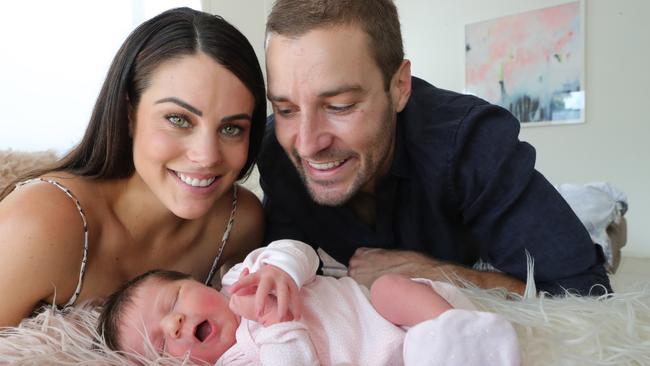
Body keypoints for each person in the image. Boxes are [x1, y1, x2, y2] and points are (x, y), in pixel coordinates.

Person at [258, 0, 612, 296]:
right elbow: (286, 257)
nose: (306, 144)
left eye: (340, 106)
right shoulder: (277, 152)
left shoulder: (471, 143)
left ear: (399, 87)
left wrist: (440, 275)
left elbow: (585, 291)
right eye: (286, 109)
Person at [0, 7, 268, 327]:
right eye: (178, 119)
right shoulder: (39, 223)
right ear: (129, 113)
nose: (207, 156)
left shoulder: (240, 223)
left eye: (231, 128)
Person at [98, 239, 521, 365]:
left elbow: (301, 250)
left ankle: (463, 337)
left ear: (198, 283)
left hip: (398, 313)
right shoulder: (237, 363)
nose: (173, 325)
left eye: (172, 301)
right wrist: (279, 328)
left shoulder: (244, 278)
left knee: (389, 287)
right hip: (397, 358)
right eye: (160, 345)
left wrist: (280, 270)